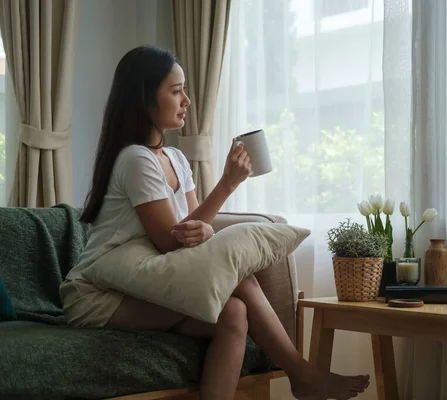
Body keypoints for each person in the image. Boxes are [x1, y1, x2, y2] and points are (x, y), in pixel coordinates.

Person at [59, 45, 370, 400]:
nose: (187, 100)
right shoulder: (135, 160)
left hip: (144, 282)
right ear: (145, 98)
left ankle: (301, 375)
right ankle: (302, 373)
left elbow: (191, 228)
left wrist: (205, 229)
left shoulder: (176, 159)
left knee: (234, 312)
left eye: (185, 90)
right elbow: (171, 242)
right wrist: (227, 184)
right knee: (239, 279)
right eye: (176, 91)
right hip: (100, 293)